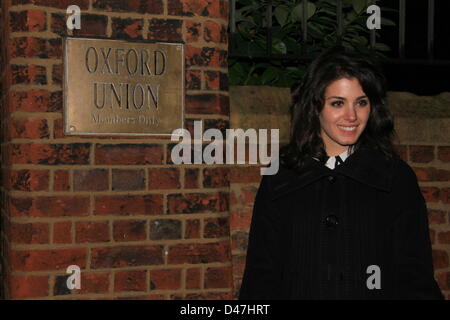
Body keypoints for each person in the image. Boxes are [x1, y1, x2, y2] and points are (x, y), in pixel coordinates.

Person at [238, 47, 444, 300]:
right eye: (338, 103)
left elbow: (415, 275)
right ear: (315, 107)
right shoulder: (282, 175)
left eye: (361, 103)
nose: (352, 116)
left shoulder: (394, 176)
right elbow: (262, 274)